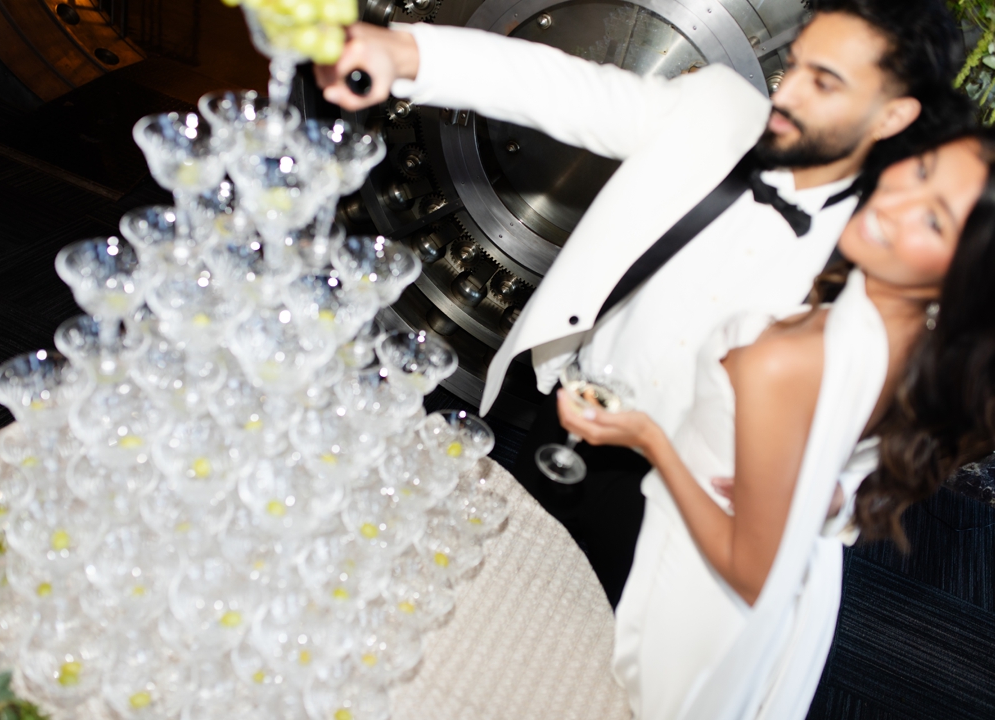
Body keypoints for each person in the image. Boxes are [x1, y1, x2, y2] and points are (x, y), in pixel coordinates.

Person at [316, 0, 970, 605]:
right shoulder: (717, 111)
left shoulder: (886, 246)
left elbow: (892, 410)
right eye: (795, 64)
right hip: (570, 421)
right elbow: (560, 87)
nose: (787, 92)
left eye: (824, 83)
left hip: (697, 507)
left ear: (893, 115)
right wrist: (403, 53)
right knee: (493, 598)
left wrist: (833, 499)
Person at [555, 131, 995, 719]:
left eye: (936, 222)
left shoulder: (789, 359)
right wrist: (824, 490)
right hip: (800, 592)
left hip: (703, 594)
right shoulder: (915, 344)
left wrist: (651, 440)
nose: (895, 203)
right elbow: (862, 455)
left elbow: (751, 577)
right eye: (921, 170)